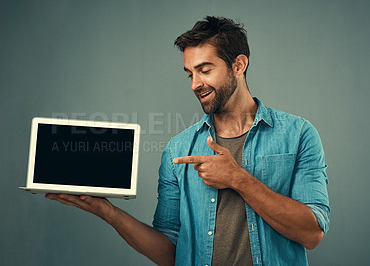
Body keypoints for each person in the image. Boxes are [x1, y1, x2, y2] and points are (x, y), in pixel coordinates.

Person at [46, 16, 330, 266]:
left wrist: (239, 179)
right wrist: (107, 212)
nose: (195, 84)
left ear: (239, 65)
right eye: (190, 73)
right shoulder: (178, 150)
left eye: (205, 70)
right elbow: (169, 253)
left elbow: (312, 233)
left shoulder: (299, 135)